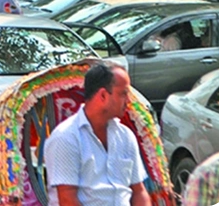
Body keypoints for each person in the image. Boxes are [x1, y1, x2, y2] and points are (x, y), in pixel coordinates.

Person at [45, 62, 151, 206]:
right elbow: (67, 200)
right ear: (103, 95)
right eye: (123, 94)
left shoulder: (125, 136)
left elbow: (139, 191)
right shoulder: (66, 137)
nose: (128, 101)